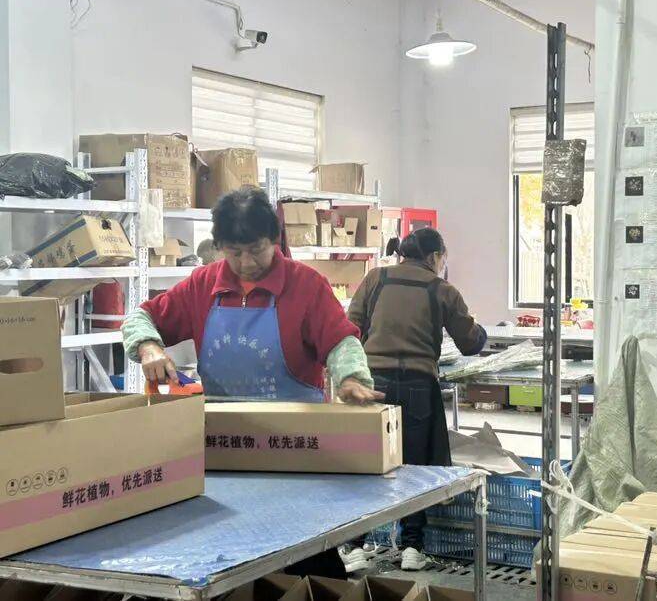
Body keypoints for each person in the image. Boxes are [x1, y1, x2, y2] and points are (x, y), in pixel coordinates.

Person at [121, 186, 382, 578]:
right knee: (230, 556)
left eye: (256, 250)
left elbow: (341, 339)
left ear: (275, 239)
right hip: (224, 448)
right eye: (234, 252)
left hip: (295, 451)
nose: (246, 263)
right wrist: (149, 347)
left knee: (307, 559)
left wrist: (351, 377)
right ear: (220, 246)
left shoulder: (306, 285)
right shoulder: (202, 285)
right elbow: (140, 316)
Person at [345, 228, 486, 572]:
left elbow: (350, 327)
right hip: (418, 386)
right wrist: (479, 328)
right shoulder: (441, 289)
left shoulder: (375, 279)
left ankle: (354, 546)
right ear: (435, 256)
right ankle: (412, 548)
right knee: (415, 466)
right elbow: (470, 343)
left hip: (372, 385)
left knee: (369, 463)